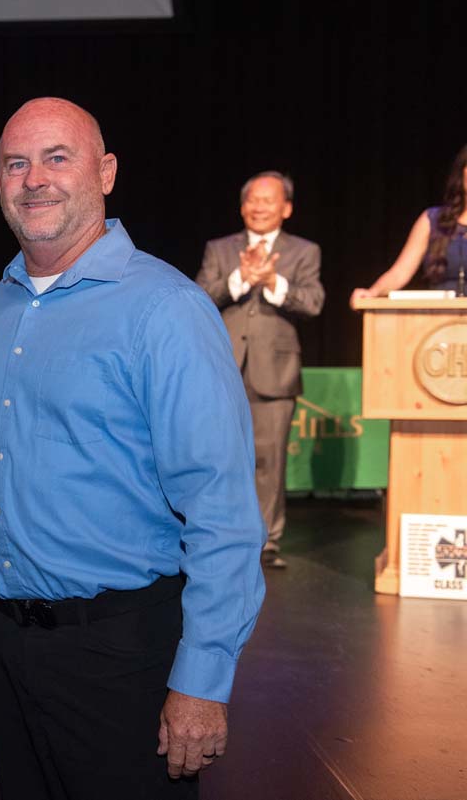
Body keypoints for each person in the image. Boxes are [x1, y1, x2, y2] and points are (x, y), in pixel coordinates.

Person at [0, 97, 265, 800]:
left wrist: (202, 679)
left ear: (106, 171)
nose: (34, 177)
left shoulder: (165, 309)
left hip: (121, 654)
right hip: (5, 645)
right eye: (16, 162)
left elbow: (221, 511)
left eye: (56, 157)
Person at [196, 172, 324, 569]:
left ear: (285, 208)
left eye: (268, 200)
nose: (259, 207)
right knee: (220, 457)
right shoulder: (220, 249)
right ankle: (223, 536)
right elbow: (197, 296)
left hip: (275, 370)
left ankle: (266, 542)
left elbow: (313, 302)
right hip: (224, 366)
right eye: (252, 200)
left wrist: (272, 280)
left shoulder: (304, 251)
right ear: (242, 206)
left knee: (269, 462)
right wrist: (241, 278)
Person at [351, 143, 467, 301]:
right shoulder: (433, 219)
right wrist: (373, 292)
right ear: (462, 173)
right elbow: (401, 272)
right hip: (441, 319)